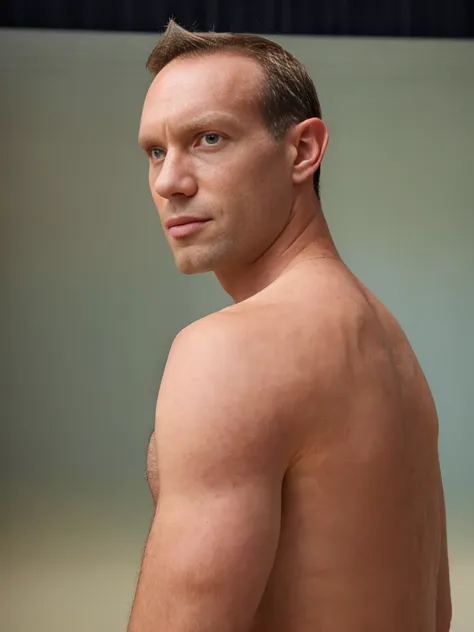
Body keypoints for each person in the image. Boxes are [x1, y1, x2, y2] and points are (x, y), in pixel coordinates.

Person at [129, 19, 451, 632]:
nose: (169, 181)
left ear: (302, 150)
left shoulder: (231, 351)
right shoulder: (391, 348)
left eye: (209, 138)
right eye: (155, 151)